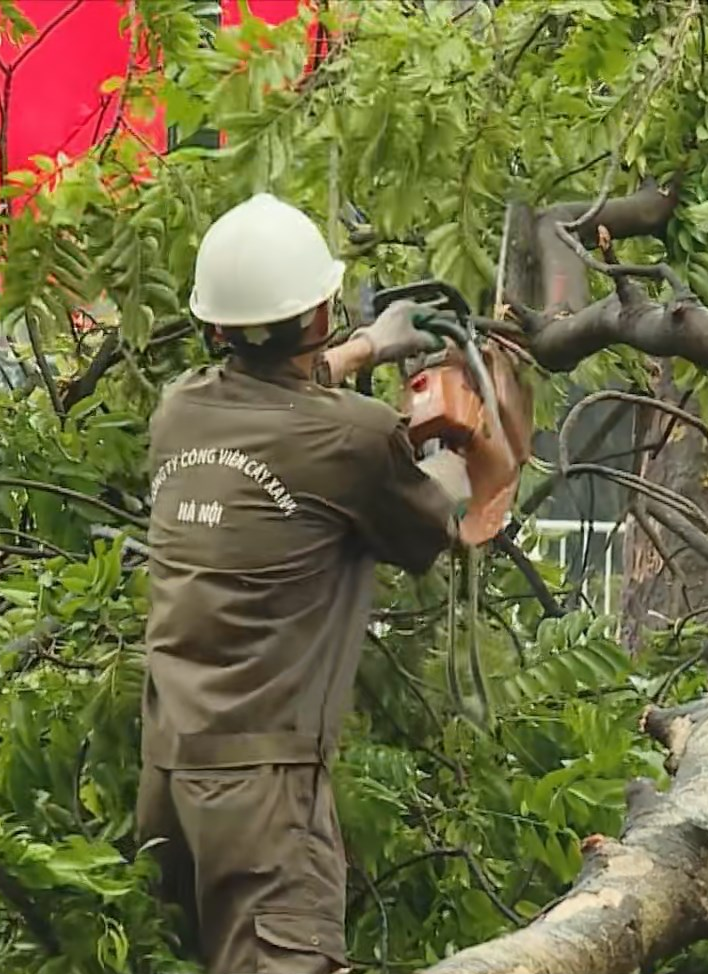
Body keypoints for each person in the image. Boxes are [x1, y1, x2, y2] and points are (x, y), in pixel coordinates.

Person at [136, 192, 472, 974]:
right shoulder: (353, 437)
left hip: (169, 778)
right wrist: (456, 451)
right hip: (264, 797)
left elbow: (274, 404)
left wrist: (362, 350)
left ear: (214, 326)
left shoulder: (178, 412)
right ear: (317, 314)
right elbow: (439, 521)